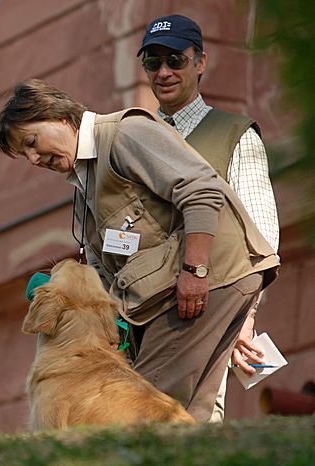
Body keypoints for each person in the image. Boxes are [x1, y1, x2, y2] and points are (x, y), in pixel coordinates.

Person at [0, 78, 280, 421]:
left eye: (32, 142)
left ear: (59, 116)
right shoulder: (86, 179)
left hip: (206, 280)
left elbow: (201, 191)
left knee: (140, 412)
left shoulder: (124, 133)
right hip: (204, 285)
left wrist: (195, 271)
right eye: (25, 154)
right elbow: (105, 268)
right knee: (187, 417)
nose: (34, 158)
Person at [137, 14, 281, 421]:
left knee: (194, 423)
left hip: (207, 307)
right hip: (139, 315)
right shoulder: (135, 137)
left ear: (200, 62)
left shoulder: (235, 134)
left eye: (175, 60)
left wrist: (245, 316)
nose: (164, 72)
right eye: (153, 62)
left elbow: (262, 238)